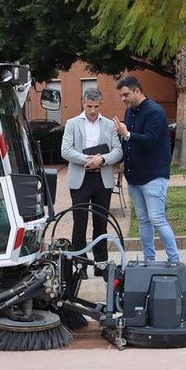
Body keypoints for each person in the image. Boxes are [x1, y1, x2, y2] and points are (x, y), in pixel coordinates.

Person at [113, 75, 179, 263]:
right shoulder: (129, 112)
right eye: (121, 96)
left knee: (157, 218)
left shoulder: (155, 111)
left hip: (154, 176)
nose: (123, 99)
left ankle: (174, 259)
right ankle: (149, 259)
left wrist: (126, 134)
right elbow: (129, 141)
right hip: (134, 177)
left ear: (137, 91)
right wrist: (125, 158)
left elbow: (149, 140)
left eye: (126, 94)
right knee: (143, 220)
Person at [60, 87, 123, 269]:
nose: (93, 111)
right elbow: (65, 150)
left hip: (102, 179)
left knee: (101, 222)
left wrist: (102, 159)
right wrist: (87, 160)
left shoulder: (109, 125)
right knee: (80, 222)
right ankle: (80, 263)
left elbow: (118, 150)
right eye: (89, 106)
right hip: (80, 179)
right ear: (83, 103)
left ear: (101, 104)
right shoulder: (72, 123)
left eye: (96, 106)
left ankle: (100, 263)